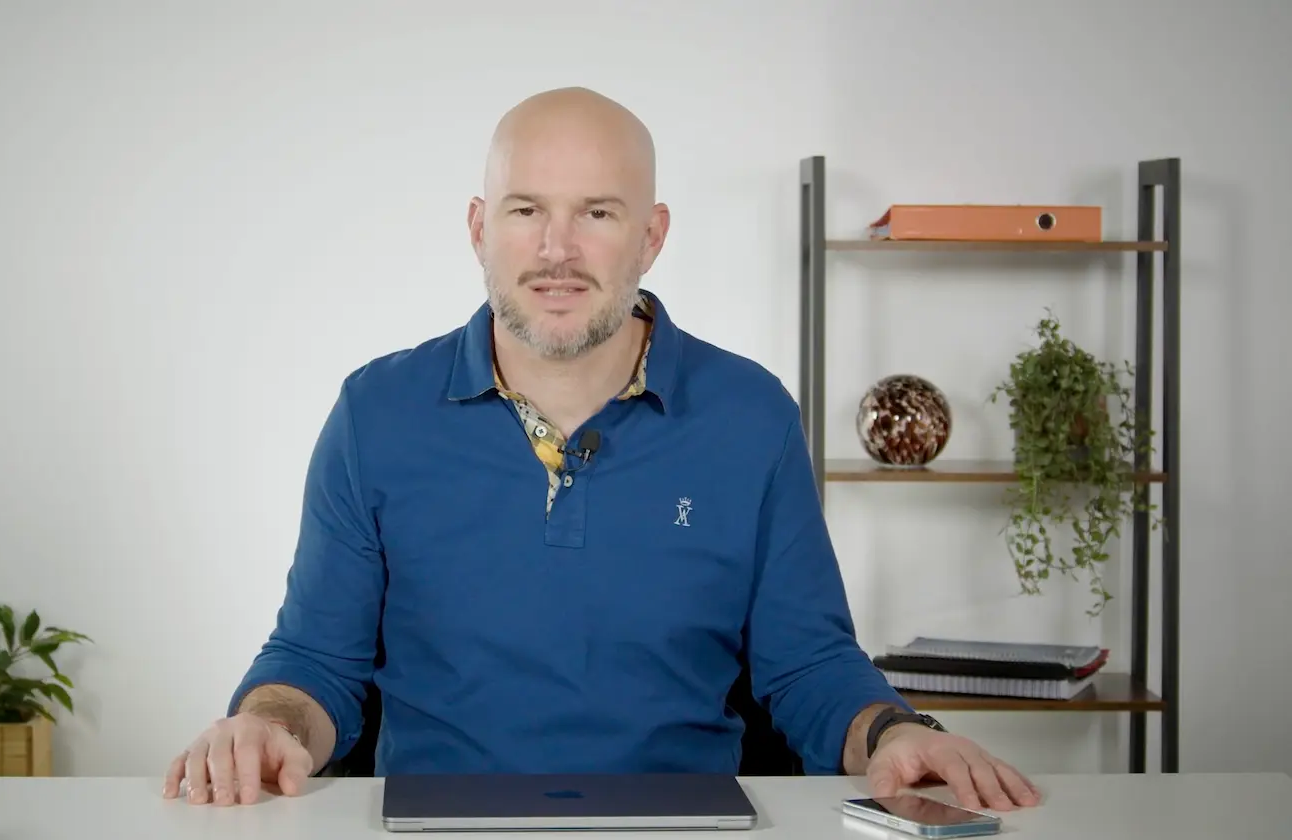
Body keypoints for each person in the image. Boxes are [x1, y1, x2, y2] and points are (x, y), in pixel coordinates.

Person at [163, 86, 1041, 813]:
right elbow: (315, 661)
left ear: (651, 234)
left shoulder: (750, 415)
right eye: (525, 211)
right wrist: (266, 728)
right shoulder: (375, 411)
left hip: (689, 829)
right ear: (479, 228)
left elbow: (807, 663)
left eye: (596, 212)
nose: (556, 250)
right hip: (430, 828)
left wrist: (898, 736)